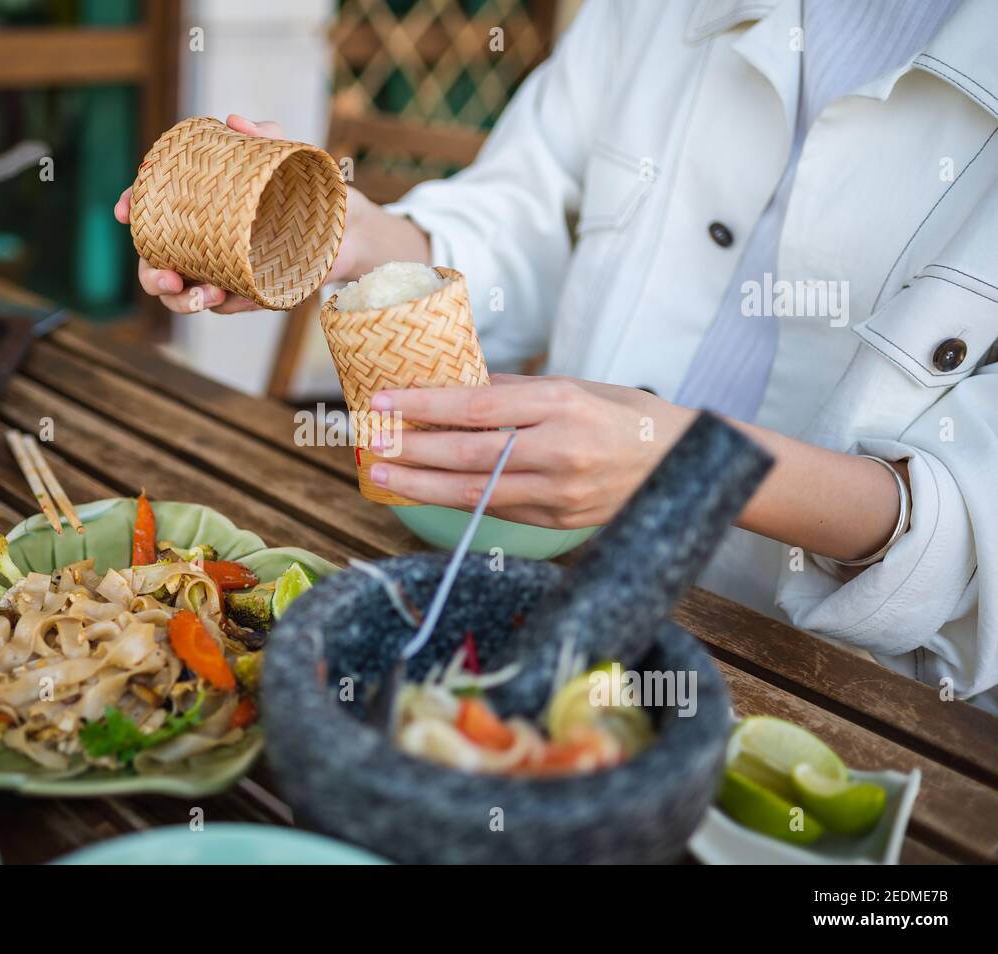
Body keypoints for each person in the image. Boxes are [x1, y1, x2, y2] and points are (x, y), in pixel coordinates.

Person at [115, 0, 998, 711]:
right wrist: (332, 235)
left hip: (850, 686)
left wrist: (679, 462)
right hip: (551, 589)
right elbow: (522, 220)